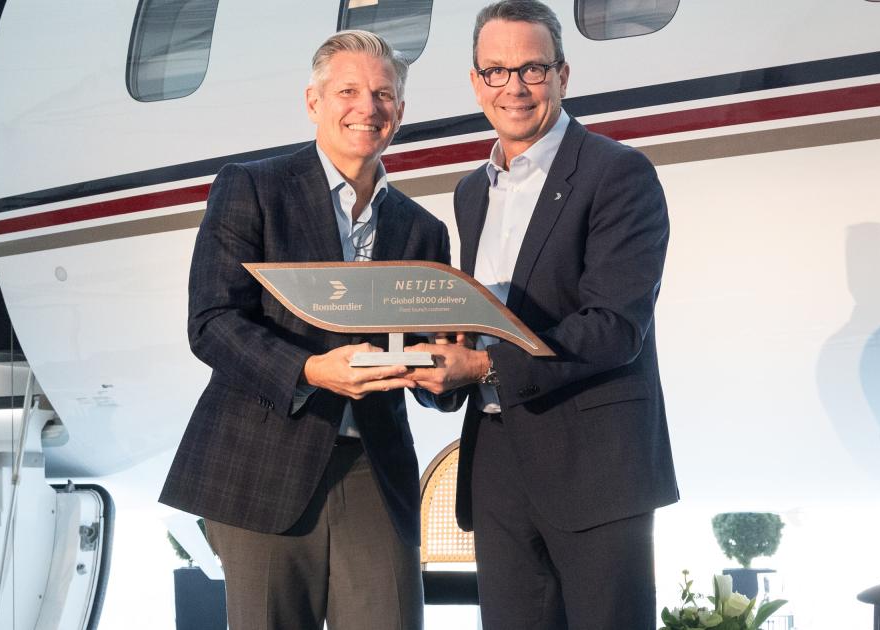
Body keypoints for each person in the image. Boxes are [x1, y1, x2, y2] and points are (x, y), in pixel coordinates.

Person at [160, 30, 449, 630]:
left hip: (374, 465)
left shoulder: (423, 230)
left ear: (401, 110)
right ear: (313, 102)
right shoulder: (252, 187)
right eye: (347, 90)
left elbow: (434, 364)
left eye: (383, 94)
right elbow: (211, 321)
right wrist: (312, 370)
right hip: (261, 461)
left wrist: (447, 373)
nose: (366, 108)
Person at [407, 1, 678, 627]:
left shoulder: (618, 174)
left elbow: (613, 327)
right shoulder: (472, 190)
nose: (515, 88)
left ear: (563, 75)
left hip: (595, 467)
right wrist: (436, 357)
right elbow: (481, 317)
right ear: (476, 83)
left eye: (532, 68)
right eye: (496, 71)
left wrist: (482, 365)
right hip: (498, 462)